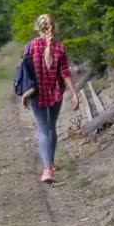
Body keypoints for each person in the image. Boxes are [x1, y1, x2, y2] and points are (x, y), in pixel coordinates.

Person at [23, 14, 79, 183]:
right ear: (53, 28)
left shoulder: (30, 46)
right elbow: (65, 73)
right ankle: (51, 162)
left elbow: (25, 73)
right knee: (51, 127)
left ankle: (47, 169)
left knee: (43, 129)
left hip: (37, 93)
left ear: (37, 28)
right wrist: (74, 92)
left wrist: (25, 94)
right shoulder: (60, 48)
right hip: (55, 93)